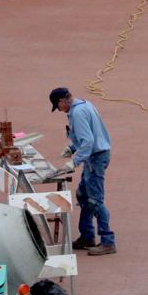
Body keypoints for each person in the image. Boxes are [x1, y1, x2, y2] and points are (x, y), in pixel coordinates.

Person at [49, 87, 116, 255]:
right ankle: (87, 236)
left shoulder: (77, 113)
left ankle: (108, 241)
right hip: (96, 155)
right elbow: (88, 134)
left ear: (63, 101)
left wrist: (74, 162)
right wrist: (72, 147)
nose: (59, 110)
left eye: (58, 106)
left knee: (95, 200)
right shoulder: (85, 105)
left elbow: (88, 141)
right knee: (83, 194)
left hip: (95, 158)